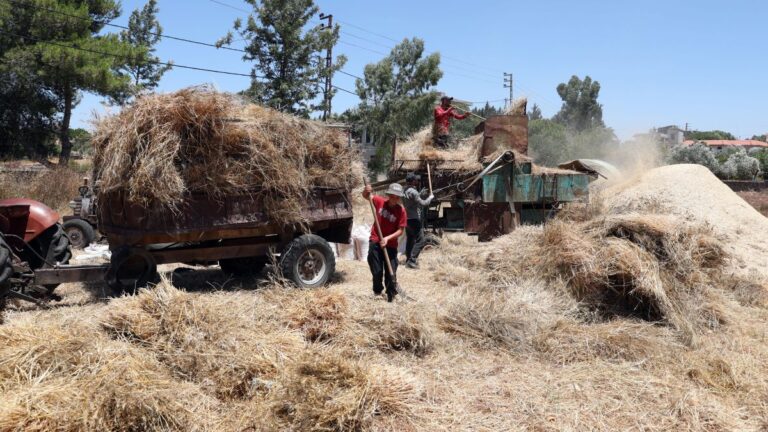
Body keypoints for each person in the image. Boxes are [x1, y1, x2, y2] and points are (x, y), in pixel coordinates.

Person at [363, 182, 407, 302]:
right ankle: (377, 292)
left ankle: (391, 295)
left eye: (397, 197)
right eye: (392, 196)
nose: (394, 199)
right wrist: (366, 191)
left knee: (391, 271)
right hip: (376, 240)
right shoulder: (379, 201)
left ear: (399, 198)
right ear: (389, 195)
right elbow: (367, 196)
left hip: (391, 245)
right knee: (377, 271)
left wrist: (387, 239)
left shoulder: (401, 211)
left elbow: (400, 230)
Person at [403, 173, 434, 269]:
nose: (417, 181)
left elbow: (412, 200)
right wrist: (430, 197)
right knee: (421, 240)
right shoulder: (414, 192)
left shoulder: (404, 190)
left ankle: (408, 259)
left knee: (410, 239)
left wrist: (420, 194)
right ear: (413, 181)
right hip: (414, 219)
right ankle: (412, 261)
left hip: (406, 219)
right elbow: (424, 203)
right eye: (416, 180)